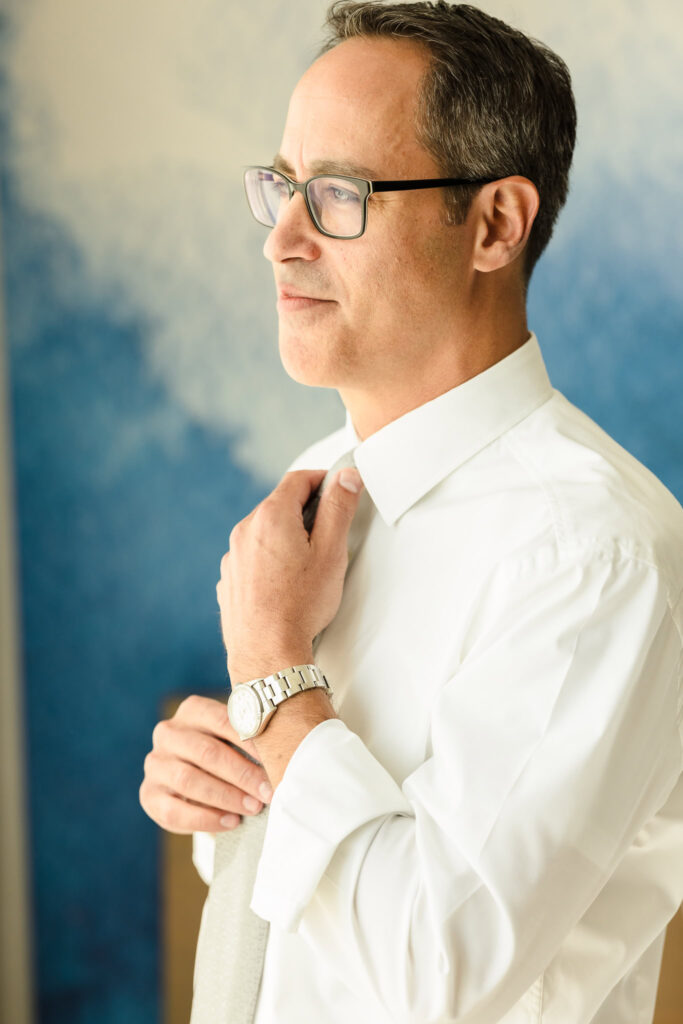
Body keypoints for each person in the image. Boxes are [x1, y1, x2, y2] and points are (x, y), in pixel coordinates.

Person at [139, 3, 683, 1021]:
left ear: (493, 225)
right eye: (282, 187)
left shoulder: (596, 555)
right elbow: (313, 899)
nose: (280, 242)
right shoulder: (318, 485)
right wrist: (220, 801)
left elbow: (437, 967)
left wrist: (272, 672)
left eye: (339, 193)